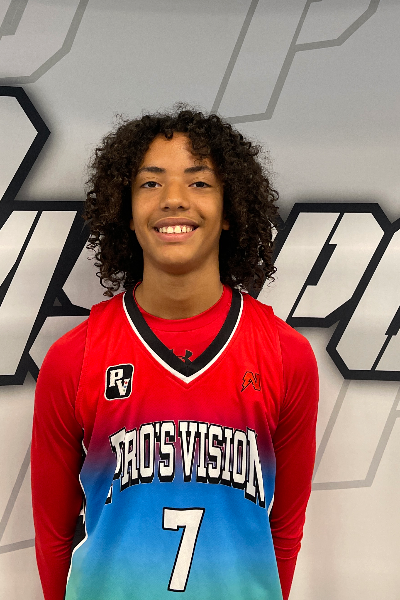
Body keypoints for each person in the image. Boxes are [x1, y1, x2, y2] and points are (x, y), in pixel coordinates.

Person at [31, 106, 318, 600]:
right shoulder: (74, 357)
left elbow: (284, 534)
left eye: (199, 182)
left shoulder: (285, 354)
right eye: (151, 183)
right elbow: (54, 537)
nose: (174, 199)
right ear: (126, 210)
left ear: (230, 210)